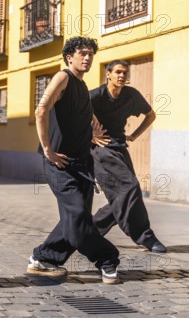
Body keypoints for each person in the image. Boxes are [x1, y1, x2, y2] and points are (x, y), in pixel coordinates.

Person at [29, 36, 121, 284]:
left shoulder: (81, 86)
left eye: (91, 53)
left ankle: (44, 258)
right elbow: (41, 110)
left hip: (82, 164)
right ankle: (107, 259)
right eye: (82, 53)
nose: (88, 57)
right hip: (60, 164)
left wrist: (93, 130)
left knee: (74, 218)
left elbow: (83, 113)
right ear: (70, 57)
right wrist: (47, 149)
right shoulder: (63, 77)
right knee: (79, 214)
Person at [90, 60, 166, 253]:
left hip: (119, 146)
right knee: (129, 187)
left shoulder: (131, 95)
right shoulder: (95, 97)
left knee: (126, 194)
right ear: (108, 74)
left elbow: (151, 115)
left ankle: (89, 231)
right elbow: (73, 116)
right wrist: (90, 135)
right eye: (118, 72)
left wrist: (134, 135)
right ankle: (145, 236)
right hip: (100, 149)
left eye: (125, 73)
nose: (122, 76)